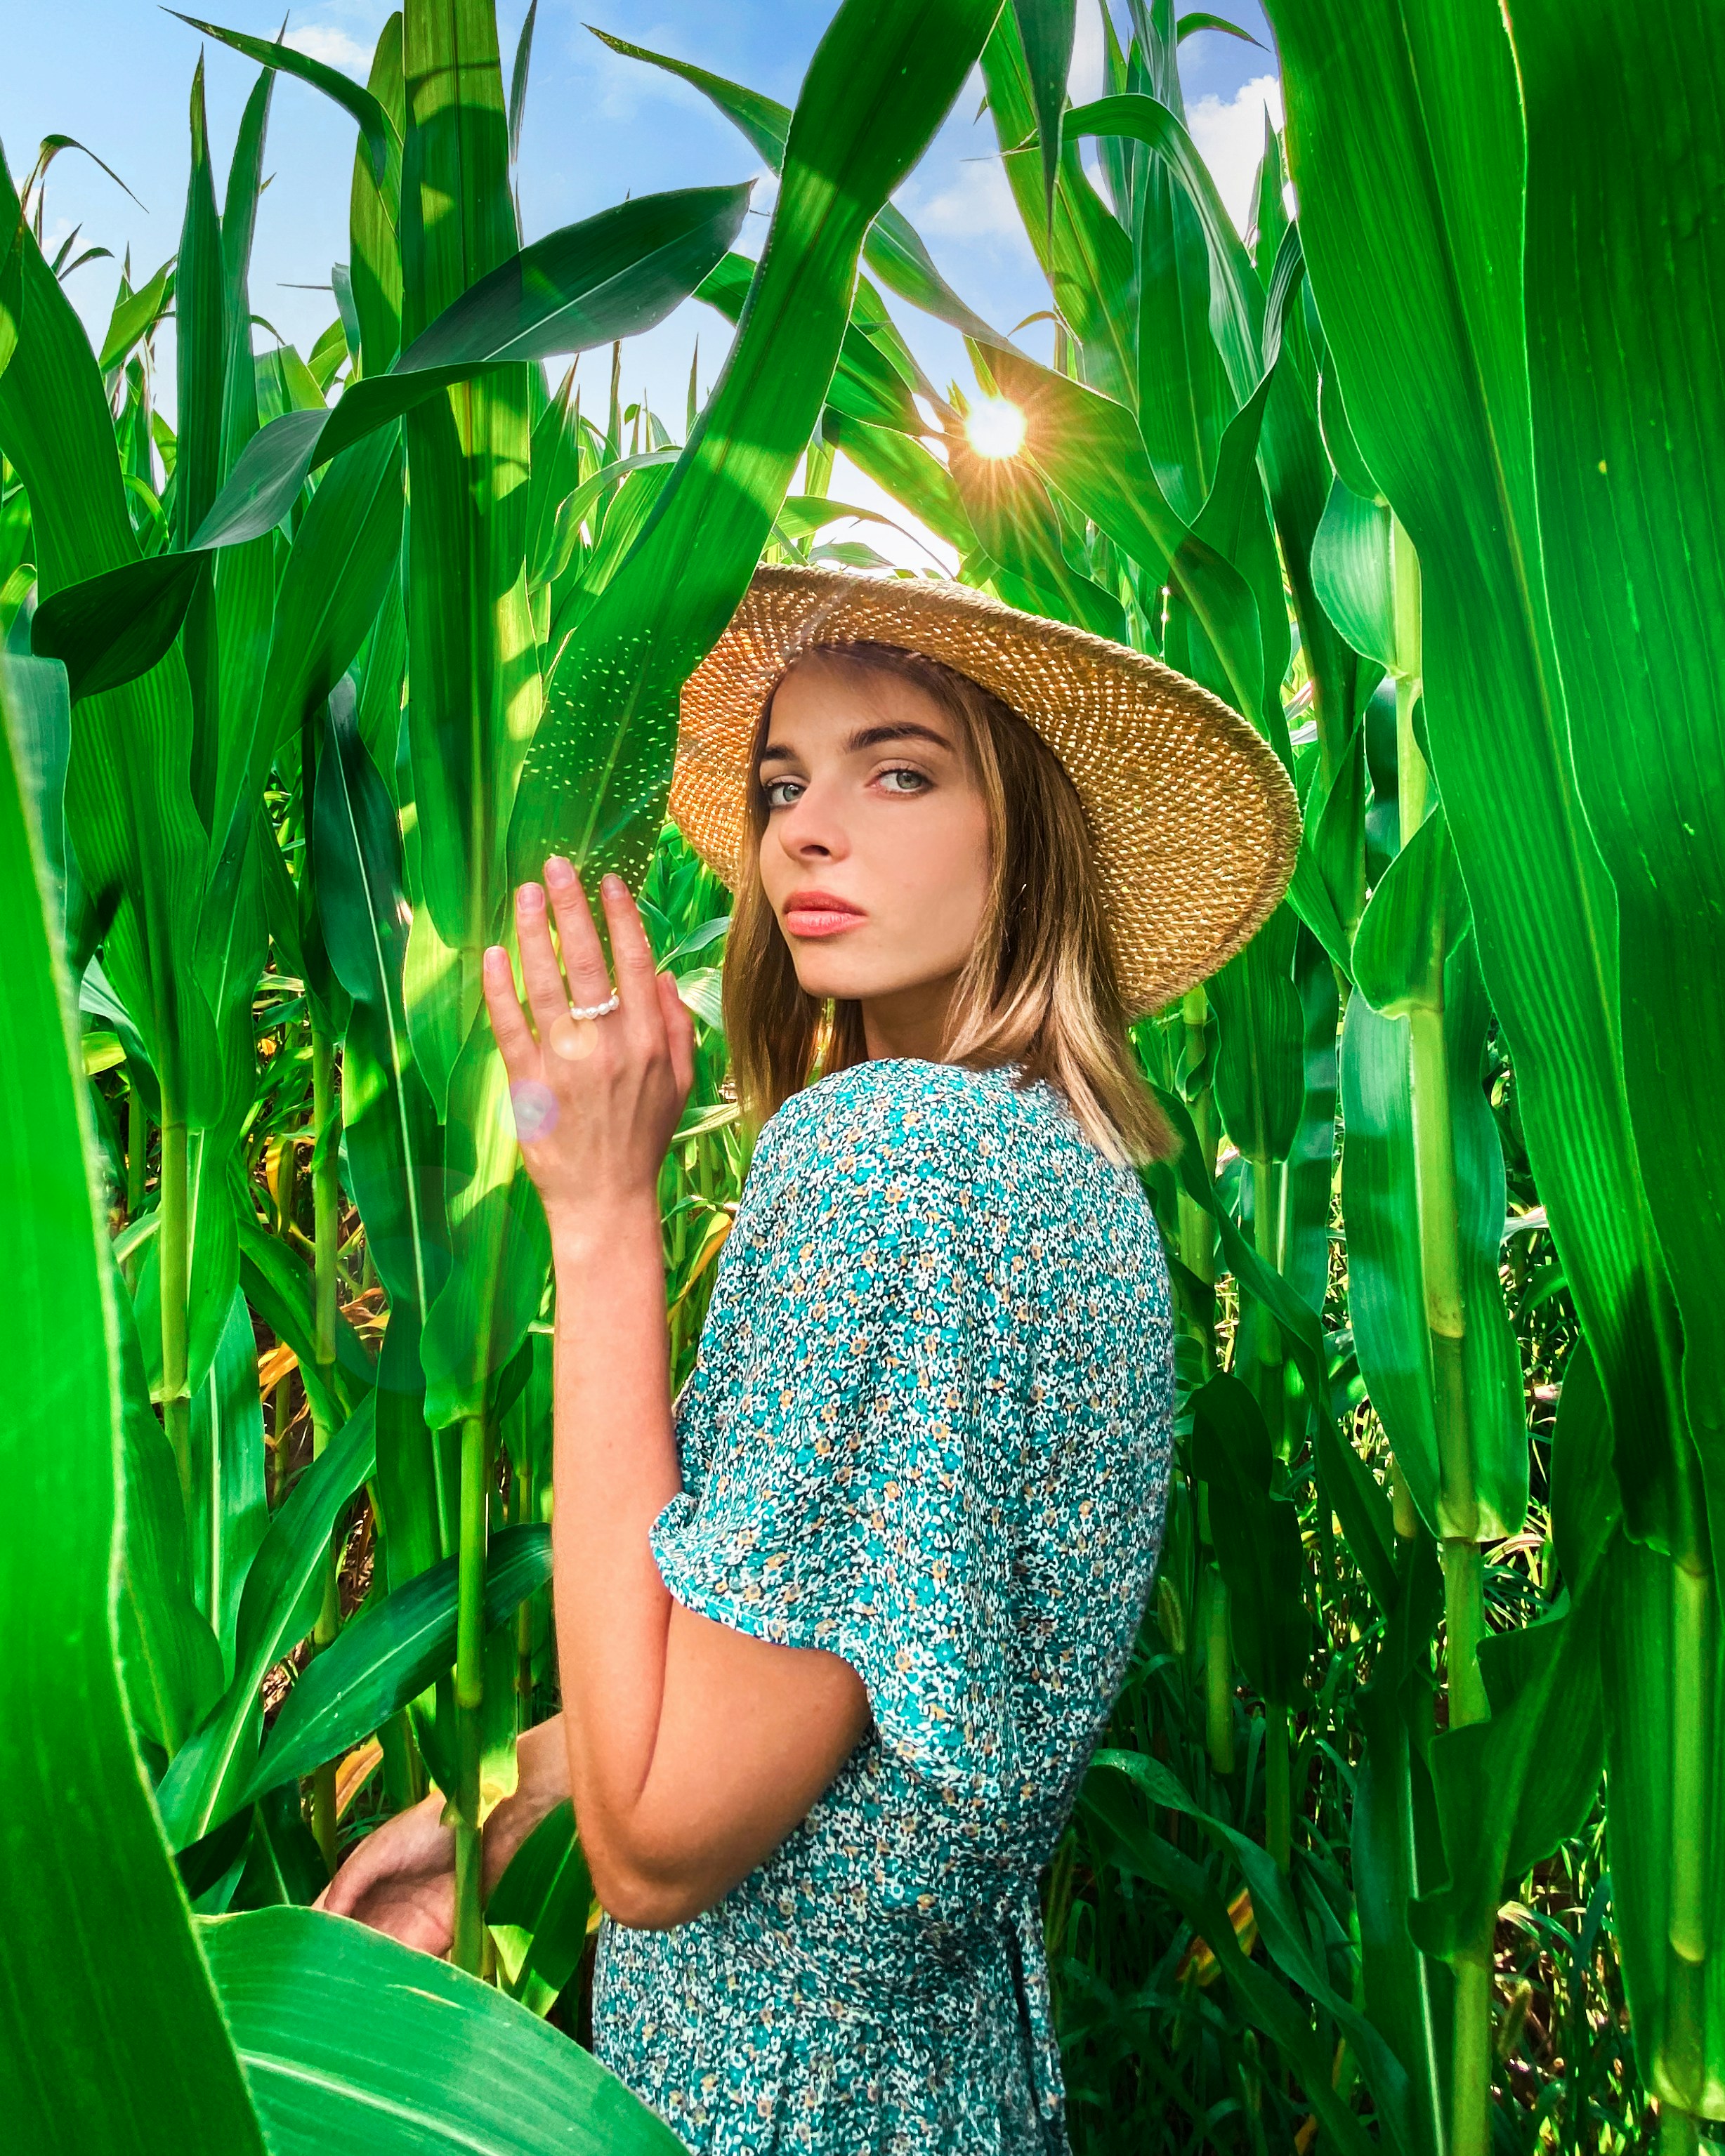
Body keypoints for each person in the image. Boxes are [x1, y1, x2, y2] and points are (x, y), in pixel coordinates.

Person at [319, 566, 1299, 2152]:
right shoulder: (1072, 1179)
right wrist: (495, 1809)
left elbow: (659, 1846)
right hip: (947, 2078)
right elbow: (787, 1677)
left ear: (1025, 834)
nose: (803, 829)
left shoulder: (891, 1161)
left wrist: (601, 1210)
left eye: (897, 769)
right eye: (783, 782)